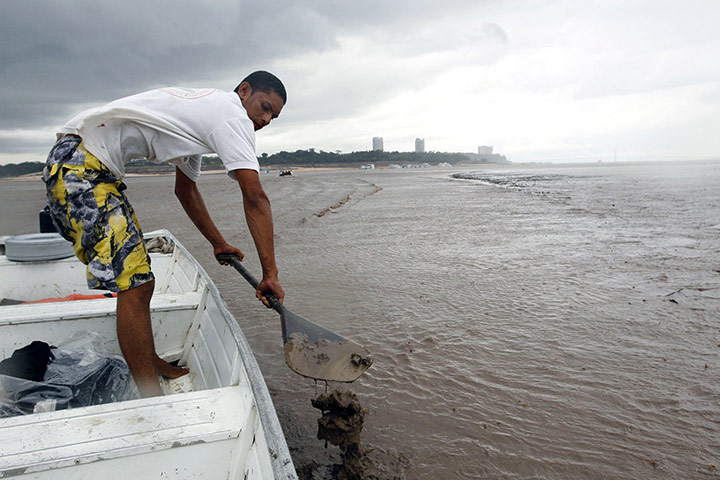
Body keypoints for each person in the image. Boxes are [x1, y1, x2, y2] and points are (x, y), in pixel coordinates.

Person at [42, 71, 287, 397]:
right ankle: (150, 395)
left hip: (88, 166)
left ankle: (149, 359)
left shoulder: (201, 122)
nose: (266, 119)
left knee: (141, 280)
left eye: (274, 116)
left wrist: (218, 243)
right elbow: (255, 196)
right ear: (244, 91)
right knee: (136, 283)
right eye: (265, 107)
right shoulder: (231, 115)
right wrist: (270, 274)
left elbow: (185, 191)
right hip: (81, 167)